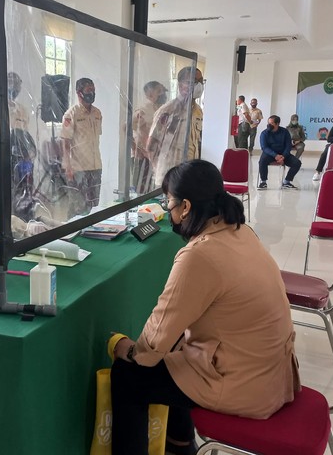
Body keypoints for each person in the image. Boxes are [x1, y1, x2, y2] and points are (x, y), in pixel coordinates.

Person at [109, 160, 300, 455]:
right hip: (272, 373)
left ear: (185, 207)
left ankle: (174, 445)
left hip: (246, 385)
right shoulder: (241, 231)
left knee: (128, 375)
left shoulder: (199, 256)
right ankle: (180, 444)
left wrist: (125, 348)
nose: (167, 210)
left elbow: (153, 344)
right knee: (176, 354)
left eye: (168, 202)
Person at [147, 67, 203, 186]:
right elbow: (151, 145)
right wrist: (160, 170)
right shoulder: (168, 110)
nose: (198, 85)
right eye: (192, 82)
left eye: (200, 81)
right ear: (180, 85)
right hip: (170, 177)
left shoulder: (198, 111)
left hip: (190, 174)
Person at [60, 77, 103, 217]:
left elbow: (95, 139)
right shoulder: (71, 114)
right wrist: (68, 166)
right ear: (79, 93)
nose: (92, 93)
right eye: (89, 90)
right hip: (78, 168)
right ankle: (69, 234)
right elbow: (65, 142)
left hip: (95, 166)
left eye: (94, 90)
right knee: (77, 206)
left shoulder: (97, 113)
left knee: (93, 205)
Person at [132, 81, 167, 194]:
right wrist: (136, 149)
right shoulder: (143, 109)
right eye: (159, 91)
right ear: (150, 94)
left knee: (155, 191)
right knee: (142, 193)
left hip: (156, 157)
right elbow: (125, 128)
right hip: (143, 158)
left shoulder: (161, 109)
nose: (162, 94)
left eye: (163, 90)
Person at [258, 115, 301, 190]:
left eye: (271, 123)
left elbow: (288, 146)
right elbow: (264, 147)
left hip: (283, 154)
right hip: (270, 154)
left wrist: (283, 156)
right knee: (262, 161)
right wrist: (275, 155)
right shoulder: (264, 133)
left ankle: (286, 182)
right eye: (268, 123)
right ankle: (263, 182)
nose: (269, 125)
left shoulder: (285, 132)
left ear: (277, 124)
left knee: (297, 163)